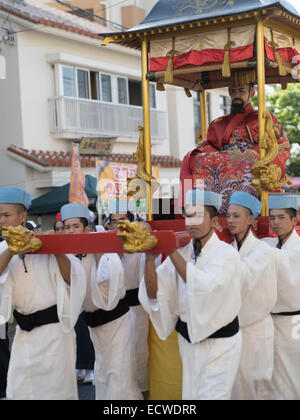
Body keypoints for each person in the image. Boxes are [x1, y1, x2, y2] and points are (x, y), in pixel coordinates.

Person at [139, 190, 242, 400]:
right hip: (188, 344)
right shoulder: (185, 253)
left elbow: (202, 286)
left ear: (214, 221)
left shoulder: (226, 254)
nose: (191, 221)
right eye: (188, 215)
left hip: (219, 347)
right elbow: (154, 291)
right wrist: (149, 258)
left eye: (198, 215)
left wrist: (169, 248)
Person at [0, 187, 86, 400]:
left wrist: (54, 248)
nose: (1, 220)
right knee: (20, 391)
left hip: (55, 335)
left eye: (6, 215)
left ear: (22, 216)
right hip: (22, 335)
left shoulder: (46, 242)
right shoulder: (4, 248)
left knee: (56, 393)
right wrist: (12, 249)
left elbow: (72, 279)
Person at [61, 203, 142, 400]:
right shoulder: (69, 256)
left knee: (120, 378)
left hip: (117, 323)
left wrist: (96, 246)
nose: (71, 231)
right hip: (95, 327)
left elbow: (108, 276)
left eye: (76, 226)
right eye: (67, 227)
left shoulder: (103, 248)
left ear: (87, 228)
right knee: (103, 377)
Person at [180, 72, 290, 212]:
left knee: (248, 159)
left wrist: (252, 155)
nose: (237, 95)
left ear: (252, 92)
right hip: (224, 165)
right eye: (233, 91)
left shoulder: (264, 118)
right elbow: (212, 147)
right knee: (191, 157)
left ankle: (244, 208)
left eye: (241, 91)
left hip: (251, 165)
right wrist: (203, 149)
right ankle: (193, 206)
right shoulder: (218, 123)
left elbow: (281, 146)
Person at [226, 191, 277, 400]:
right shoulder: (228, 248)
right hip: (232, 330)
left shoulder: (262, 250)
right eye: (228, 215)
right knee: (235, 385)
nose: (230, 220)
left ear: (250, 219)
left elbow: (242, 277)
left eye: (236, 216)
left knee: (256, 386)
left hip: (255, 330)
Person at [106, 205, 150, 398]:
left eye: (123, 220)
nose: (118, 226)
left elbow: (147, 228)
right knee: (117, 359)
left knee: (139, 354)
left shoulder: (139, 246)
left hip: (137, 309)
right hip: (113, 312)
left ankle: (144, 394)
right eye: (114, 222)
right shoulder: (104, 248)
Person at [263, 194, 300, 399]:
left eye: (282, 217)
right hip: (272, 322)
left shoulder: (297, 248)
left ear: (294, 220)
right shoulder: (271, 244)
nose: (276, 222)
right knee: (274, 376)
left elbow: (284, 261)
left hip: (293, 322)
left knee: (292, 374)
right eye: (272, 218)